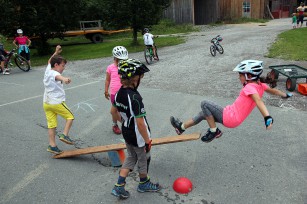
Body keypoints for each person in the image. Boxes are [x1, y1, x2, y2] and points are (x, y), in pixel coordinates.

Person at [170, 60, 293, 143]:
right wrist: (285, 95)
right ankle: (181, 127)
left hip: (229, 117)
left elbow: (259, 101)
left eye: (240, 75)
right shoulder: (260, 85)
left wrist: (267, 117)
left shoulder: (250, 88)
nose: (238, 77)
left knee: (204, 103)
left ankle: (214, 131)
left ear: (249, 76)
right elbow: (274, 91)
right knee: (204, 114)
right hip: (231, 117)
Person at [111, 59, 160, 199]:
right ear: (134, 78)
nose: (141, 79)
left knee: (132, 156)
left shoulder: (119, 92)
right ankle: (143, 183)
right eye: (140, 76)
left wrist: (125, 121)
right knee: (143, 158)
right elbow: (140, 123)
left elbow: (112, 111)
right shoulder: (135, 98)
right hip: (137, 134)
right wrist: (147, 140)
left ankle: (119, 186)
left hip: (126, 130)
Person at [43, 45, 74, 154]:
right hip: (56, 102)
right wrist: (65, 79)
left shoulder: (48, 70)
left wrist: (56, 52)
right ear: (56, 65)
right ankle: (64, 135)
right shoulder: (55, 73)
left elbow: (49, 60)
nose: (63, 68)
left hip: (46, 103)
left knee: (52, 125)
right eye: (62, 65)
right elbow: (58, 76)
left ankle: (52, 146)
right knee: (70, 117)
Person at [104, 46, 128, 135]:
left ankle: (127, 123)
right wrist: (106, 91)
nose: (121, 62)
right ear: (115, 58)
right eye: (119, 60)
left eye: (123, 60)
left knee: (125, 110)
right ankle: (115, 124)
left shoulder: (126, 67)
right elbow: (107, 80)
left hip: (125, 92)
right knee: (115, 111)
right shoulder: (110, 67)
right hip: (114, 93)